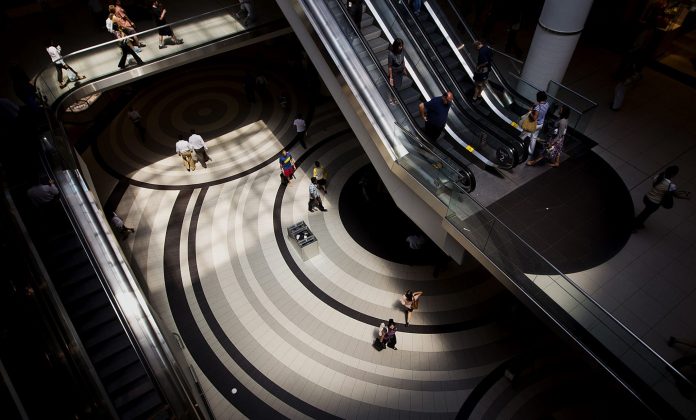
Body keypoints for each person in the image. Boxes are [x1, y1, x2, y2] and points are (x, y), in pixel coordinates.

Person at [634, 166, 690, 231]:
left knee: (645, 213)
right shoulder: (670, 185)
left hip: (647, 198)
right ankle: (634, 225)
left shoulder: (658, 176)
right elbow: (676, 195)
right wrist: (686, 198)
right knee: (645, 214)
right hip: (654, 203)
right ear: (673, 175)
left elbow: (655, 185)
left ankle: (638, 223)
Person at [525, 90, 549, 159]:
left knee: (524, 133)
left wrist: (530, 112)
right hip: (541, 124)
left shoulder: (538, 107)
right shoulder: (547, 104)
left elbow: (535, 117)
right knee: (534, 138)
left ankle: (518, 143)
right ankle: (530, 151)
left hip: (535, 124)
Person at [388, 38, 407, 104]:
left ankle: (394, 97)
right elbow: (390, 66)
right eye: (400, 46)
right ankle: (392, 98)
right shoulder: (391, 54)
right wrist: (391, 77)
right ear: (396, 46)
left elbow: (403, 60)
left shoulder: (402, 50)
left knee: (398, 85)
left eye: (402, 45)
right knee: (394, 86)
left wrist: (404, 68)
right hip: (394, 73)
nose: (401, 47)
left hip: (400, 72)